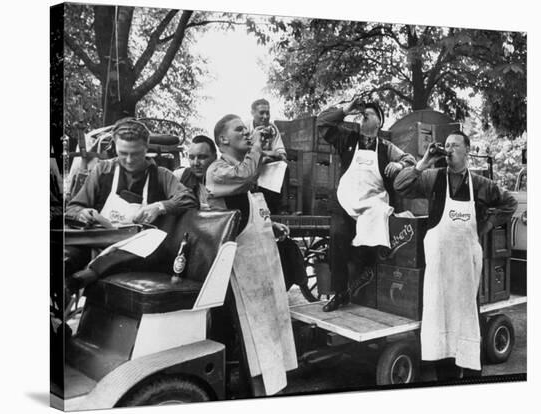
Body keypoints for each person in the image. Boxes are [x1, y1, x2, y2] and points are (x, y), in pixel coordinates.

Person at [394, 131, 517, 380]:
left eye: (455, 145)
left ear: (467, 150)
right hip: (440, 274)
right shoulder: (432, 178)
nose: (449, 149)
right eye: (446, 145)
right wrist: (423, 162)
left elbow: (509, 203)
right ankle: (447, 380)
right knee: (442, 327)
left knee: (467, 324)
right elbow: (400, 186)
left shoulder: (481, 185)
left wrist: (487, 225)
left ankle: (472, 376)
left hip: (465, 273)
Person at [206, 114, 302, 397]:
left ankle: (266, 391)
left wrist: (269, 223)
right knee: (246, 334)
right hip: (237, 269)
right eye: (240, 130)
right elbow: (244, 178)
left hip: (260, 266)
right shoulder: (218, 170)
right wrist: (258, 147)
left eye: (247, 130)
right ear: (223, 139)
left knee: (266, 330)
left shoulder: (247, 168)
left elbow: (246, 206)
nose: (248, 133)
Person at [64, 118, 198, 289]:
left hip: (134, 249)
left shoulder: (161, 175)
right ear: (115, 147)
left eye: (135, 154)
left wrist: (160, 207)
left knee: (155, 241)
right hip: (99, 240)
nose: (128, 160)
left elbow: (188, 198)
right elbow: (73, 207)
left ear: (146, 148)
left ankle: (92, 273)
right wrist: (83, 213)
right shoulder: (103, 170)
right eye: (123, 153)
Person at [317, 98, 416, 312]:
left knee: (371, 246)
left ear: (379, 122)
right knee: (338, 237)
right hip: (345, 201)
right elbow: (322, 124)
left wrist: (398, 164)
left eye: (369, 113)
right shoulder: (346, 139)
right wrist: (346, 109)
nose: (364, 116)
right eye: (362, 113)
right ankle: (340, 292)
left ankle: (370, 292)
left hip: (373, 203)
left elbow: (411, 161)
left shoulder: (387, 148)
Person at [173, 135, 217, 209]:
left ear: (215, 157)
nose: (196, 163)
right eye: (192, 158)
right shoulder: (179, 176)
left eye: (202, 157)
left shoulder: (226, 180)